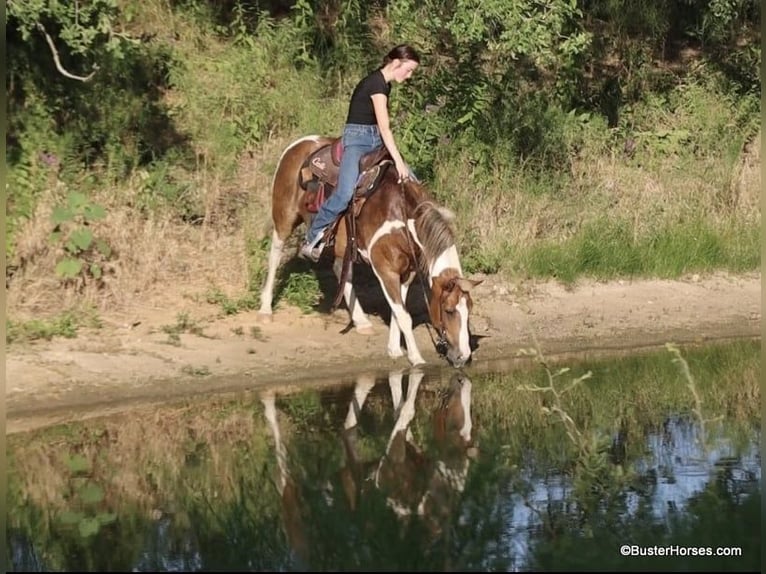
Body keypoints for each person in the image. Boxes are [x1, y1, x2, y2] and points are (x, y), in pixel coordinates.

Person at [299, 44, 421, 262]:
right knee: (345, 193)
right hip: (357, 141)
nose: (409, 75)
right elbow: (385, 128)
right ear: (396, 63)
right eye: (409, 69)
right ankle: (313, 236)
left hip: (374, 140)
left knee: (413, 181)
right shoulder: (377, 84)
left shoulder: (385, 85)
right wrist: (398, 161)